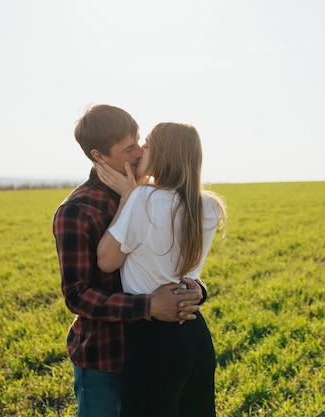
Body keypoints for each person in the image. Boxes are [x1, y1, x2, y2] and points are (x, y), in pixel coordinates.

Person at [52, 105, 208, 417]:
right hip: (106, 361)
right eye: (128, 148)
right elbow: (78, 295)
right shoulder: (78, 210)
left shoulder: (157, 196)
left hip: (155, 354)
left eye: (138, 141)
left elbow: (174, 265)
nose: (139, 152)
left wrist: (197, 290)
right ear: (99, 156)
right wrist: (148, 305)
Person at [95, 122, 227, 417]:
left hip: (153, 340)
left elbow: (106, 260)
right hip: (194, 334)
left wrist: (129, 195)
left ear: (164, 153)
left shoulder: (144, 199)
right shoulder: (208, 206)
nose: (141, 149)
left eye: (148, 143)